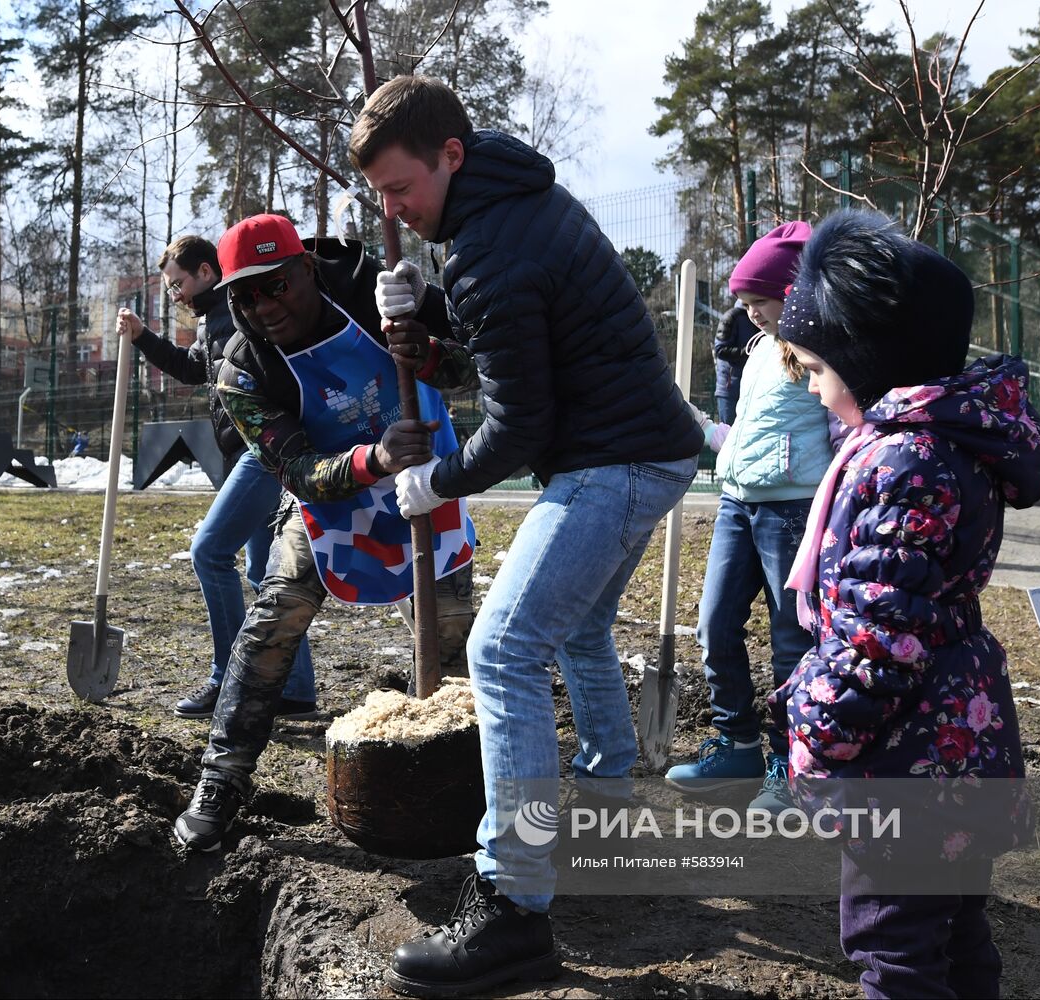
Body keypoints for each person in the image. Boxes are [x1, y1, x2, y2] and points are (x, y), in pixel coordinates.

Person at [350, 76, 702, 998]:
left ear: (449, 157)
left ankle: (512, 906)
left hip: (610, 461)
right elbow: (514, 346)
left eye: (401, 190)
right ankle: (606, 806)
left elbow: (517, 430)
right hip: (646, 450)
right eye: (382, 196)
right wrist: (425, 318)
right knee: (575, 628)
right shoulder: (514, 203)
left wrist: (436, 479)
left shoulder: (490, 250)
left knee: (502, 650)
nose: (394, 209)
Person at [772, 210, 1040, 998]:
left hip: (906, 758)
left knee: (891, 946)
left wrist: (816, 736)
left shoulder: (906, 460)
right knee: (956, 935)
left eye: (819, 370)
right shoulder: (934, 443)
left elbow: (877, 637)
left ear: (868, 360)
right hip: (957, 742)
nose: (817, 391)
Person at [172, 213, 476, 853]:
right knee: (273, 617)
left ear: (305, 269)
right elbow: (300, 470)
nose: (264, 306)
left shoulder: (374, 288)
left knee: (449, 628)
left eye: (276, 285)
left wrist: (426, 342)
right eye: (245, 295)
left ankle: (461, 781)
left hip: (426, 476)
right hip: (336, 494)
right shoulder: (244, 369)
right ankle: (221, 778)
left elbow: (472, 371)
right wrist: (374, 460)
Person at [666, 222, 831, 817]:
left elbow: (837, 429)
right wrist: (706, 431)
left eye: (758, 301)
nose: (749, 313)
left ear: (792, 292)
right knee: (714, 624)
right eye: (744, 302)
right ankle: (736, 743)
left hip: (791, 510)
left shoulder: (820, 348)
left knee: (792, 639)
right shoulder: (760, 348)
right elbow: (750, 436)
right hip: (738, 502)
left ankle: (792, 765)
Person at [116, 235, 316, 720]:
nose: (175, 294)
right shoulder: (216, 319)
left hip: (262, 448)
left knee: (210, 552)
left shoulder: (237, 311)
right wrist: (144, 336)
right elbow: (193, 369)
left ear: (207, 272)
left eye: (178, 283)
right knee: (267, 573)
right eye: (169, 288)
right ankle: (293, 688)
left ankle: (229, 675)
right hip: (250, 451)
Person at [713, 301, 753, 424]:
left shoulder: (764, 317)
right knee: (727, 432)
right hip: (730, 388)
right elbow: (720, 350)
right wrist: (749, 351)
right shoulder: (732, 317)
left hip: (751, 386)